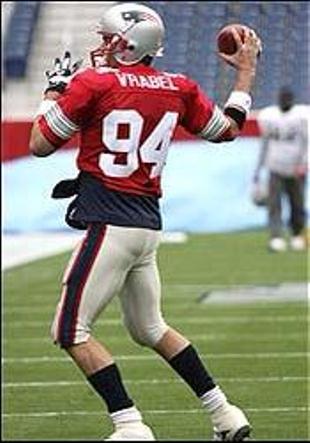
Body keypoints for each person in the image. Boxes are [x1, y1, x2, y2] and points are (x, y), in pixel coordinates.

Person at [29, 3, 261, 441]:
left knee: (69, 330)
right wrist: (244, 75)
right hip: (146, 225)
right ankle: (226, 413)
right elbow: (227, 130)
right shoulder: (178, 86)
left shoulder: (93, 83)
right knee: (150, 328)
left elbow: (40, 143)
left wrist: (54, 92)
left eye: (107, 39)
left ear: (129, 45)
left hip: (109, 222)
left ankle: (129, 424)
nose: (100, 47)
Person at [253, 86, 308, 252]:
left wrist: (304, 164)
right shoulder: (269, 117)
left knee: (297, 204)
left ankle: (297, 235)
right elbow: (264, 144)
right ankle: (276, 236)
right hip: (275, 166)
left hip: (296, 168)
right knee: (274, 204)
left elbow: (307, 143)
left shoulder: (302, 117)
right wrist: (258, 168)